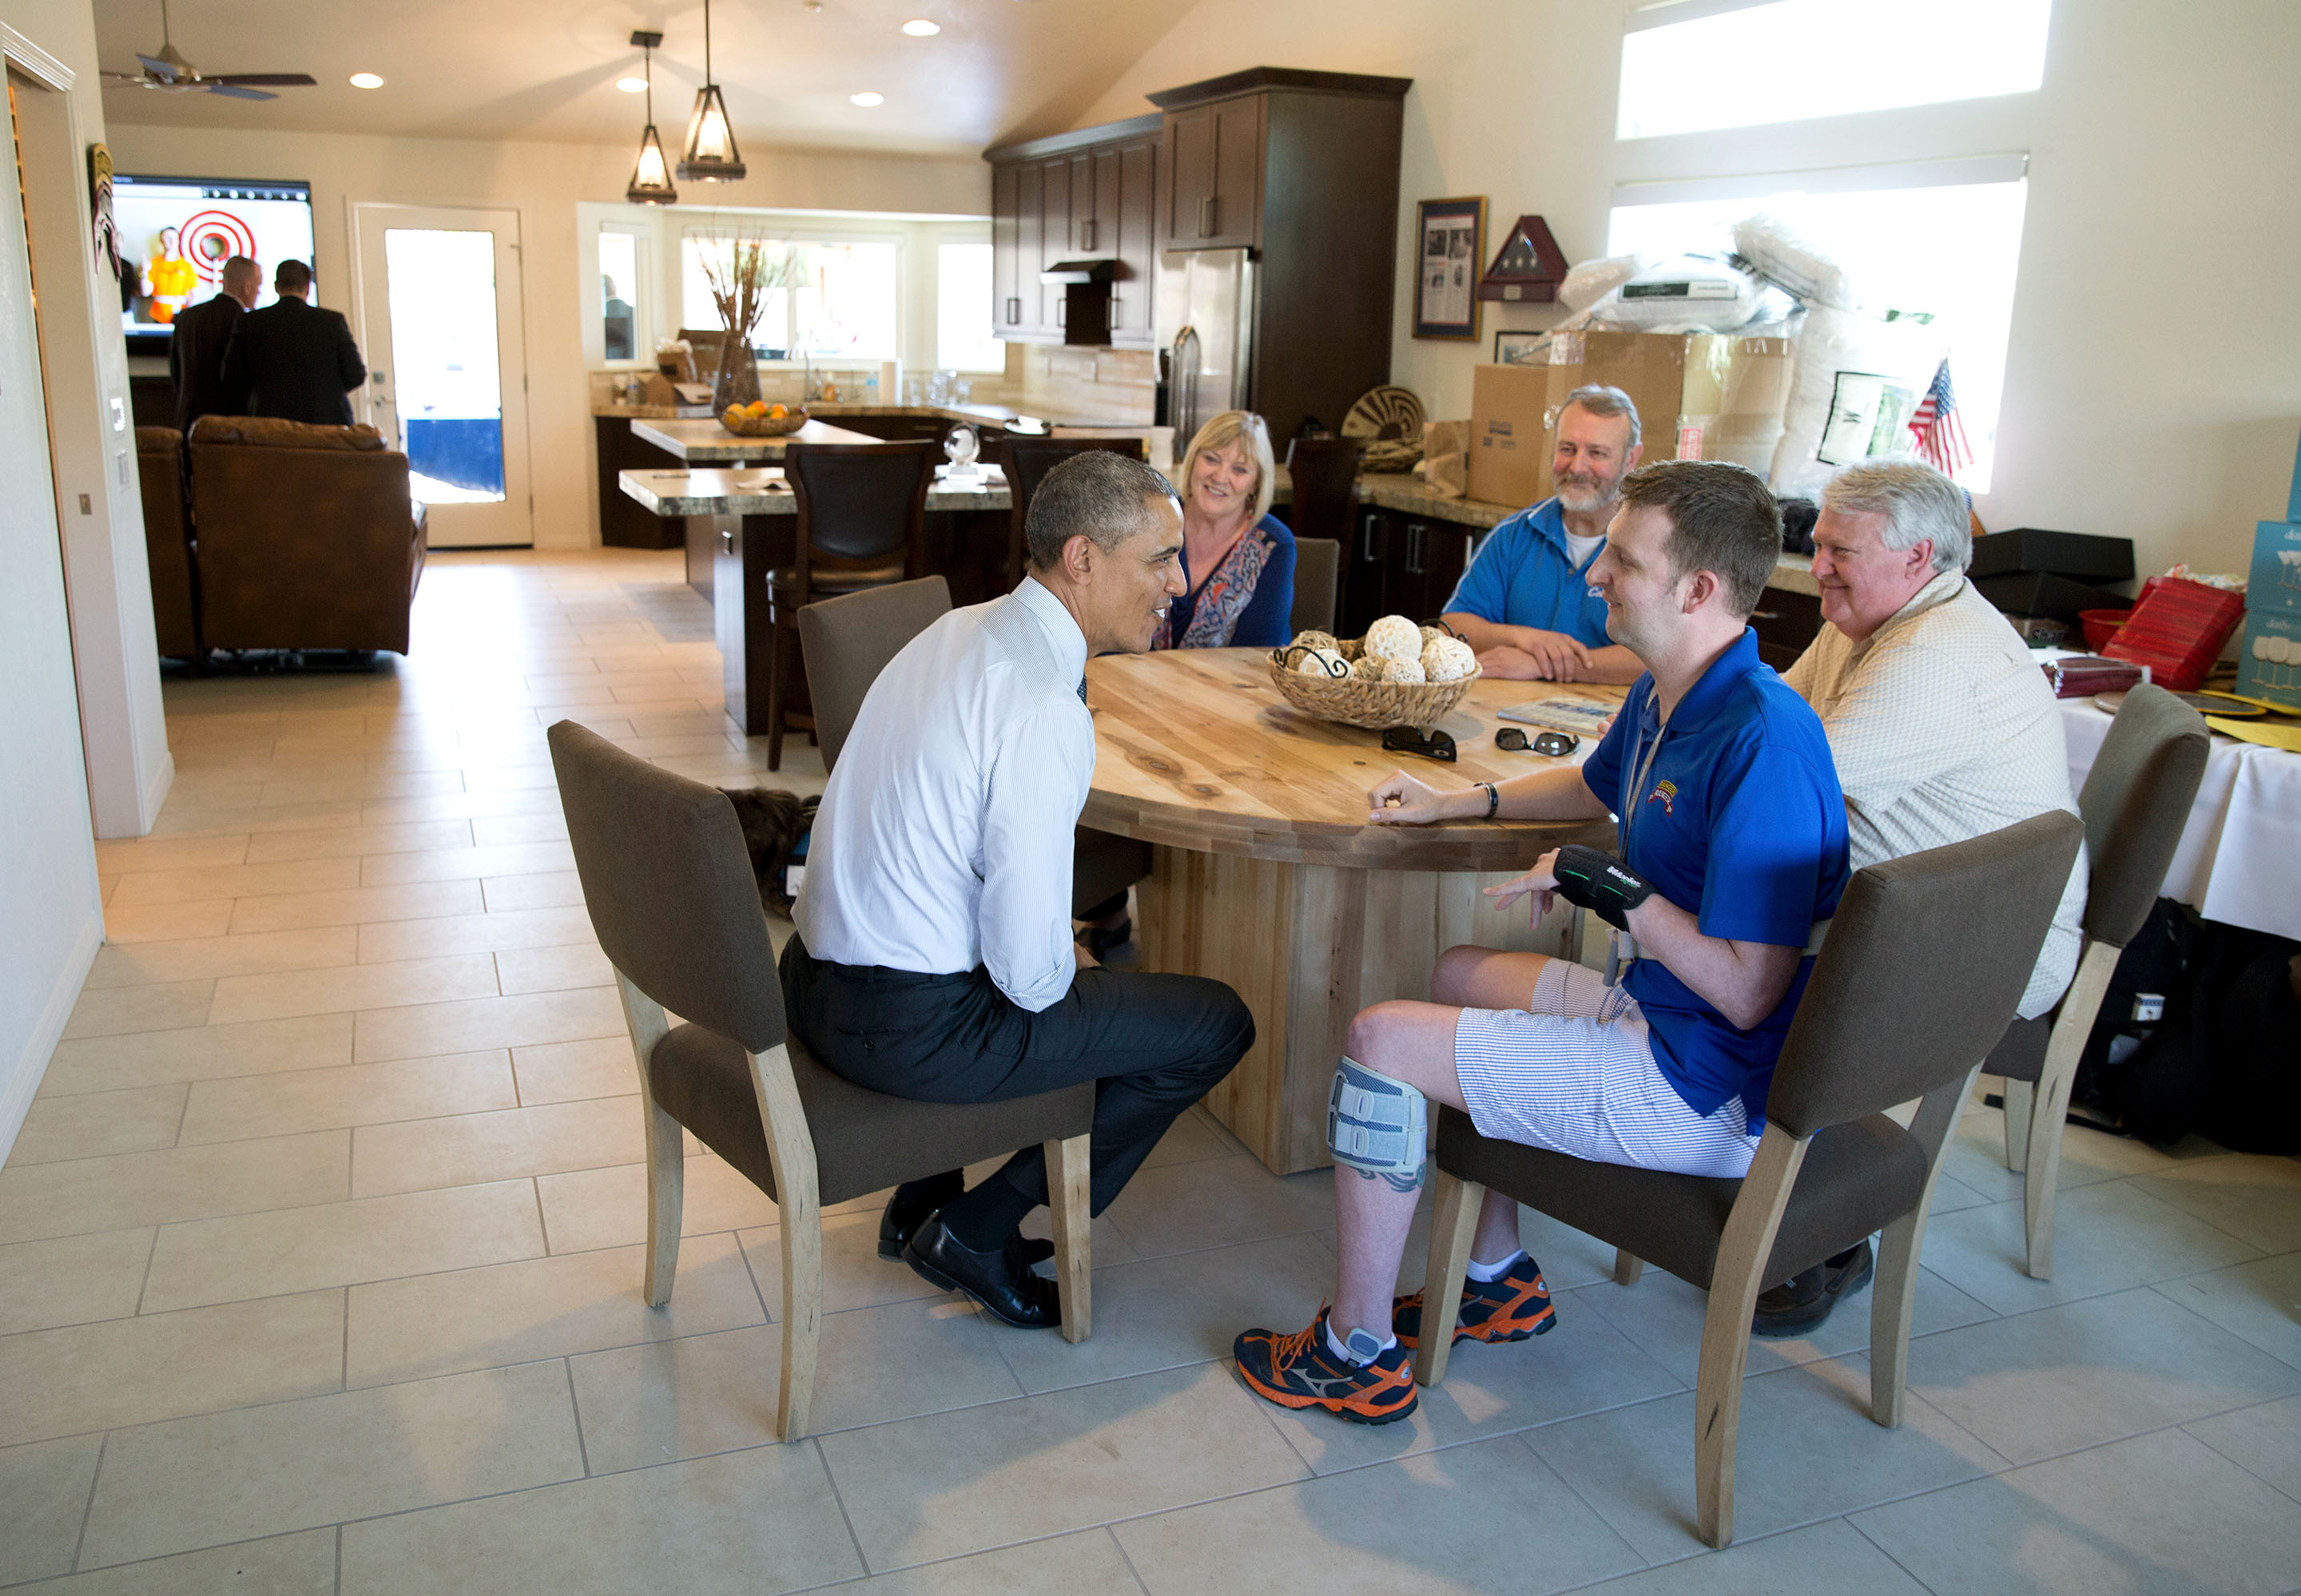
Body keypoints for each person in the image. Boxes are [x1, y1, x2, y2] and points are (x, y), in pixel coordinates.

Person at [1233, 460, 1850, 1424]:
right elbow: (1586, 788)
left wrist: (1613, 890)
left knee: (1380, 1041)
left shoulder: (1763, 742)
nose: (1596, 573)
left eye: (1625, 560)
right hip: (1669, 1021)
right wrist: (1458, 801)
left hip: (1704, 1088)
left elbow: (1747, 994)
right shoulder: (1671, 691)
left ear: (1698, 590)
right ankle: (1496, 1278)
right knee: (1458, 972)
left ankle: (1353, 1351)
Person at [782, 451, 1255, 1331]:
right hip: (900, 1028)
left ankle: (921, 1193)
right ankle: (974, 1230)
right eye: (1159, 558)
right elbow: (1031, 982)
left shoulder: (957, 630)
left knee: (1040, 953)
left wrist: (1057, 948)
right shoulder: (1044, 703)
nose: (1180, 583)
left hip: (809, 979)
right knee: (1214, 1022)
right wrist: (1066, 962)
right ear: (1081, 558)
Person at [1753, 456, 2088, 1336]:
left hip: (1988, 943)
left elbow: (1791, 788)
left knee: (1730, 971)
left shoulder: (1934, 654)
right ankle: (1772, 1189)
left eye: (1838, 550)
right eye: (1817, 543)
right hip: (1911, 911)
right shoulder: (1871, 616)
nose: (1816, 564)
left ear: (1921, 557)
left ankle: (1816, 1226)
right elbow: (1774, 726)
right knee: (1724, 935)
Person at [1441, 384, 1647, 685]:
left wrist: (1545, 665)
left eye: (1597, 453)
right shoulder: (1513, 535)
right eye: (1567, 449)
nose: (1577, 466)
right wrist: (1523, 638)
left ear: (1631, 459)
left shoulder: (1652, 548)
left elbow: (1667, 658)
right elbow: (1451, 627)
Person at [1151, 410, 1296, 650]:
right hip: (1136, 681)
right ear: (1193, 459)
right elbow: (1113, 625)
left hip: (1230, 685)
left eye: (1239, 470)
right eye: (1211, 459)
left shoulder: (1273, 545)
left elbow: (1254, 656)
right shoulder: (1152, 522)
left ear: (1257, 483)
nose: (1220, 477)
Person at [221, 259, 367, 426]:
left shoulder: (250, 322)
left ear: (276, 287)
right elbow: (356, 374)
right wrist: (327, 393)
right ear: (308, 288)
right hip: (326, 425)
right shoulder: (333, 321)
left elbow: (231, 376)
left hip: (269, 425)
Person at [168, 254, 260, 433]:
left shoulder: (187, 317)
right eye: (259, 286)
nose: (259, 292)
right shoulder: (244, 321)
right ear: (247, 288)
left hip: (187, 422)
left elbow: (175, 370)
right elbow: (242, 379)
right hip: (227, 428)